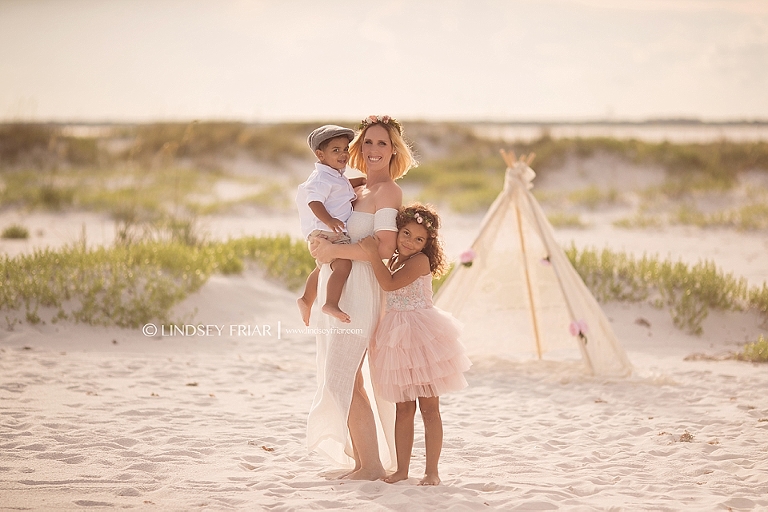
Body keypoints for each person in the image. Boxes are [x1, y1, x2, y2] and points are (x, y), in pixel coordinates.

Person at [308, 115, 416, 480]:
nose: (373, 150)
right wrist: (320, 245)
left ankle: (369, 465)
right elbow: (326, 218)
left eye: (381, 143)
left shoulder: (389, 192)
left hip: (360, 290)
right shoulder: (354, 188)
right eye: (367, 143)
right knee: (345, 375)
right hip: (339, 283)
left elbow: (383, 248)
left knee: (347, 373)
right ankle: (363, 461)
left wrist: (331, 253)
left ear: (393, 150)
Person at [358, 203, 472, 486]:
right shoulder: (396, 258)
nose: (410, 241)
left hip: (421, 336)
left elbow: (388, 285)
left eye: (418, 239)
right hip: (397, 337)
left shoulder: (419, 261)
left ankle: (432, 471)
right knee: (403, 408)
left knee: (430, 408)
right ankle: (402, 469)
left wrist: (372, 255)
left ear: (427, 244)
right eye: (406, 233)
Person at [296, 125, 364, 325]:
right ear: (320, 154)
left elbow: (339, 189)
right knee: (343, 264)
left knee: (321, 267)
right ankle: (330, 303)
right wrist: (329, 220)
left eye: (345, 149)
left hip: (325, 231)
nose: (343, 154)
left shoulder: (334, 175)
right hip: (327, 230)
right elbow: (314, 201)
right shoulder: (321, 178)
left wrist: (359, 181)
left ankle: (306, 299)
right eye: (336, 150)